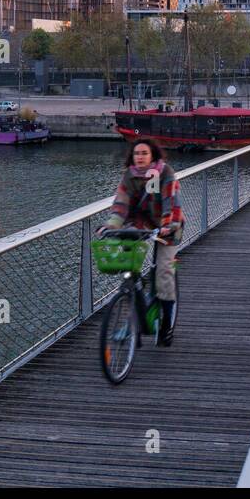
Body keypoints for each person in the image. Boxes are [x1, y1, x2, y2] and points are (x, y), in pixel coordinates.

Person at [101, 139, 184, 345]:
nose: (140, 156)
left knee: (164, 272)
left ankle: (166, 326)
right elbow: (120, 205)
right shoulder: (129, 176)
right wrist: (111, 226)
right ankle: (136, 308)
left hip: (167, 226)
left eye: (144, 153)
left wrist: (168, 225)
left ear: (152, 156)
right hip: (141, 224)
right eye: (137, 153)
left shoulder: (165, 173)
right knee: (130, 265)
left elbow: (170, 202)